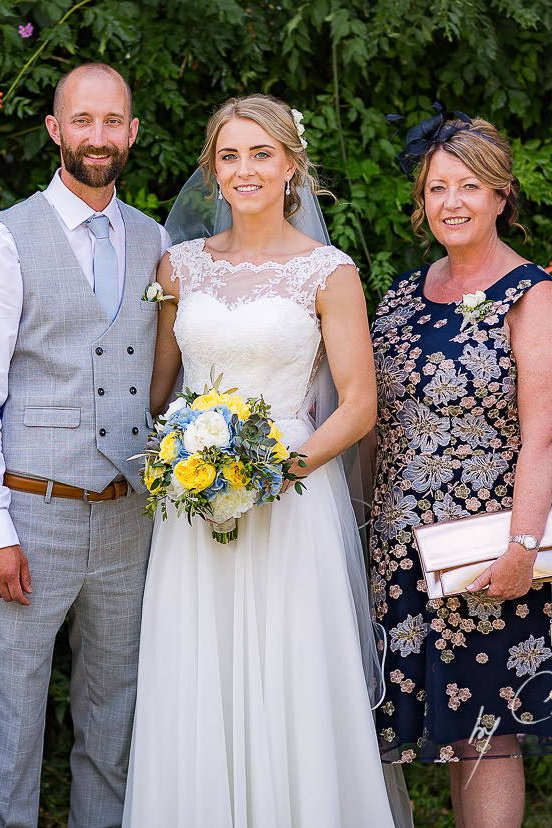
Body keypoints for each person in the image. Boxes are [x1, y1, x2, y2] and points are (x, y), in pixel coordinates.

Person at [124, 94, 408, 827]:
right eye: (229, 156)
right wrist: (179, 455)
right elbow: (161, 392)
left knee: (292, 681)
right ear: (212, 173)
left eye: (260, 154)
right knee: (198, 678)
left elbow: (357, 405)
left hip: (291, 499)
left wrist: (283, 468)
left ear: (290, 166)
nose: (244, 169)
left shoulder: (328, 272)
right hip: (193, 503)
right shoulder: (179, 267)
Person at [0, 63, 167, 828]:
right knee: (8, 733)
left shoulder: (155, 239)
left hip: (126, 521)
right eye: (83, 120)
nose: (98, 137)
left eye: (113, 121)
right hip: (30, 516)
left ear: (132, 132)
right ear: (55, 129)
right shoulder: (7, 242)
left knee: (112, 725)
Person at [370, 113, 552, 827]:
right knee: (425, 730)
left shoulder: (534, 298)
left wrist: (522, 549)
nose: (451, 202)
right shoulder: (400, 298)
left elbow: (543, 441)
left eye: (469, 186)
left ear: (501, 197)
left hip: (486, 549)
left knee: (484, 739)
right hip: (401, 551)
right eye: (437, 187)